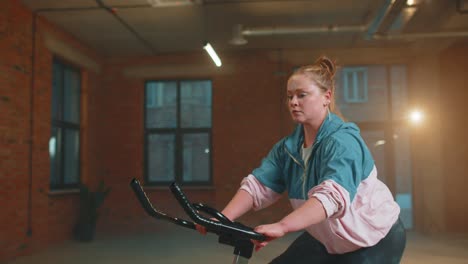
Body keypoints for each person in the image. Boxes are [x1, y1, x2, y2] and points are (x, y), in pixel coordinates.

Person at [197, 56, 406, 263]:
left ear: (327, 97)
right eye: (290, 96)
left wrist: (283, 226)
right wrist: (222, 218)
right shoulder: (288, 148)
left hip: (374, 239)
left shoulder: (343, 142)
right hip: (327, 239)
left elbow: (332, 197)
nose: (293, 102)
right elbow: (257, 186)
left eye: (302, 95)